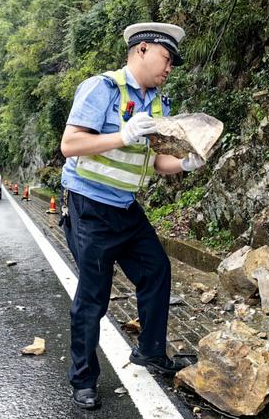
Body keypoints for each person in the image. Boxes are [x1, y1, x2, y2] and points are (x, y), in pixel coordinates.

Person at [58, 22, 205, 410]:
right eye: (166, 57)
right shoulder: (101, 88)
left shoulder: (159, 103)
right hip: (89, 206)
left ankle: (151, 351)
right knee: (94, 295)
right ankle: (83, 379)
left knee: (156, 270)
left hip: (125, 206)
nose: (170, 66)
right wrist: (122, 135)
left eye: (173, 61)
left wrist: (185, 163)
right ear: (141, 50)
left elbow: (157, 162)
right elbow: (70, 144)